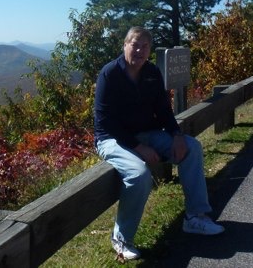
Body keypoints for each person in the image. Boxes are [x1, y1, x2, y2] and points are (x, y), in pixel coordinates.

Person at [94, 26, 223, 260]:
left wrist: (176, 134)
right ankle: (122, 239)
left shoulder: (152, 72)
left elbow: (163, 110)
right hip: (112, 139)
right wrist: (137, 147)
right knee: (139, 174)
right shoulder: (109, 74)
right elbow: (105, 121)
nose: (140, 50)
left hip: (148, 133)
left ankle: (195, 217)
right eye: (135, 44)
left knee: (191, 148)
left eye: (145, 46)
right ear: (124, 45)